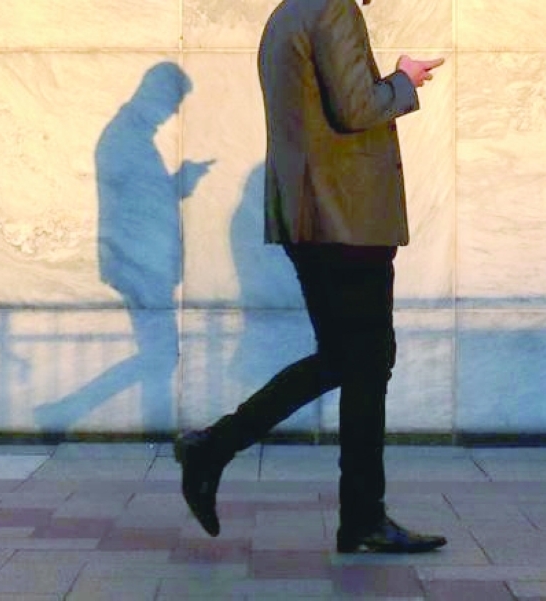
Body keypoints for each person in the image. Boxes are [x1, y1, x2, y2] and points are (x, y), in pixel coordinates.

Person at [174, 0, 447, 554]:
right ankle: (355, 514)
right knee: (365, 360)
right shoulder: (334, 10)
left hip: (317, 220)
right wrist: (404, 79)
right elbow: (355, 108)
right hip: (346, 222)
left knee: (350, 360)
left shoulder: (289, 13)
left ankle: (222, 451)